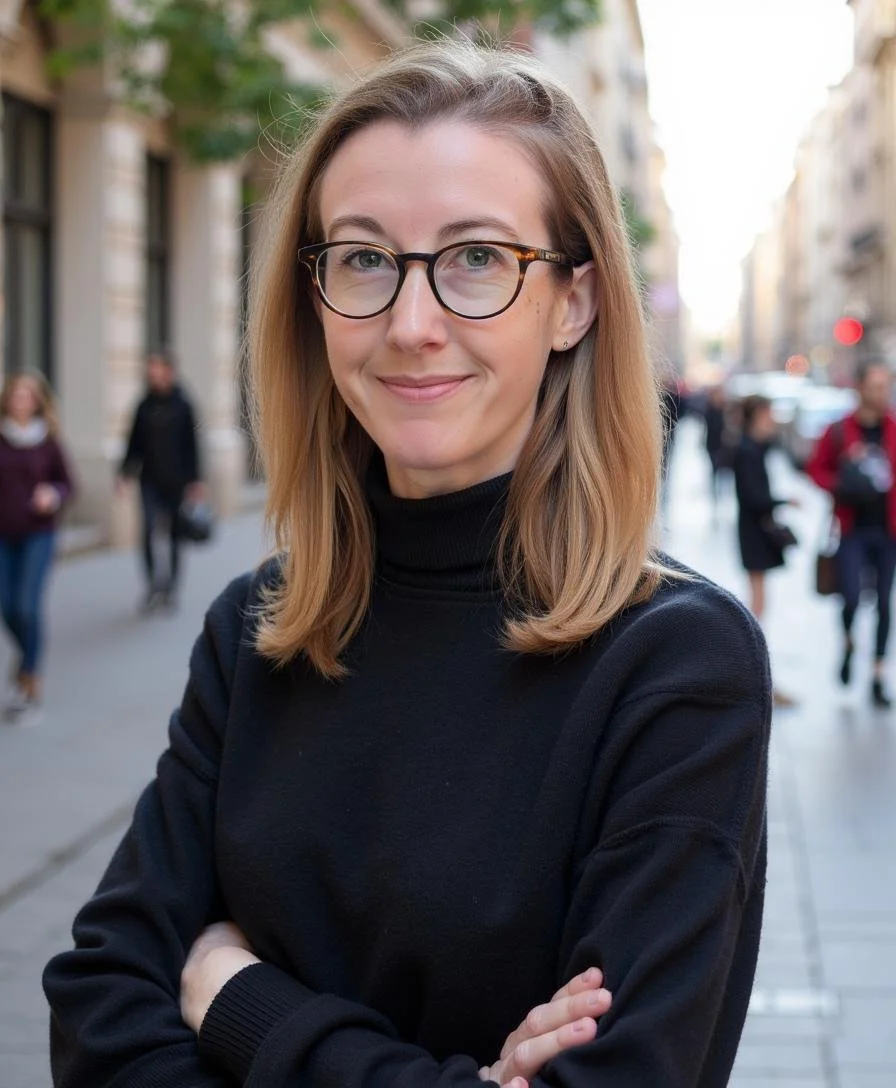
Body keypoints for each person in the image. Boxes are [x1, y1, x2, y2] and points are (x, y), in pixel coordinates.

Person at [43, 40, 771, 1088]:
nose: (410, 323)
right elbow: (97, 1007)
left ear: (573, 300)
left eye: (476, 257)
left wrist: (236, 998)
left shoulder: (673, 664)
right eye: (364, 258)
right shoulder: (258, 627)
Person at [807, 360, 896, 708]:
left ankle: (876, 675)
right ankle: (847, 643)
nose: (882, 393)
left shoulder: (892, 428)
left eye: (886, 386)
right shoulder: (840, 430)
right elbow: (816, 468)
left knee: (885, 604)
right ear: (860, 389)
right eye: (875, 386)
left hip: (887, 531)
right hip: (851, 529)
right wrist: (839, 485)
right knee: (852, 599)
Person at [0, 371, 75, 725]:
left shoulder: (48, 441)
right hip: (3, 535)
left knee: (26, 607)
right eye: (16, 395)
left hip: (38, 536)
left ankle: (30, 681)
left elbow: (68, 485)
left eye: (28, 396)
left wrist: (53, 495)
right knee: (7, 608)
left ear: (37, 401)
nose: (21, 401)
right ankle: (27, 660)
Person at [117, 350, 203, 612]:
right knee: (148, 531)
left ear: (169, 371)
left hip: (177, 480)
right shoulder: (144, 404)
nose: (151, 372)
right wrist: (124, 472)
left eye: (156, 367)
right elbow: (133, 442)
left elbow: (192, 446)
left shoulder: (184, 405)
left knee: (176, 534)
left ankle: (172, 587)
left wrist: (196, 480)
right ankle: (154, 584)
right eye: (149, 368)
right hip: (150, 480)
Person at [732, 395, 799, 708]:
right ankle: (755, 670)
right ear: (757, 414)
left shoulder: (754, 447)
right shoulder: (746, 450)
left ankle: (757, 673)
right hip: (753, 533)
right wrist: (784, 501)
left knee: (760, 603)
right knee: (757, 606)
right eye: (769, 414)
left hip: (755, 532)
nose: (773, 419)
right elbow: (753, 497)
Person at [702, 384, 733, 524]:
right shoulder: (710, 410)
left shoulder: (724, 410)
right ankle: (715, 495)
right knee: (714, 472)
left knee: (723, 473)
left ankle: (720, 495)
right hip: (712, 446)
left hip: (722, 447)